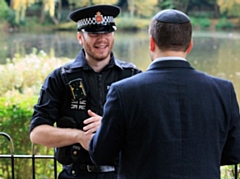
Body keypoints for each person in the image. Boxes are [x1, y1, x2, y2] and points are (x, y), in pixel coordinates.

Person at [87, 9, 240, 179]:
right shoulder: (223, 90)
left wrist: (105, 128)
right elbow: (234, 152)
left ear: (152, 43)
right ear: (189, 45)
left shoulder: (124, 92)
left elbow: (101, 154)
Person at [29, 4, 141, 179]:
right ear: (80, 37)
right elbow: (37, 133)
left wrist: (109, 127)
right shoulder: (60, 78)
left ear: (113, 35)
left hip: (121, 175)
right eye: (94, 34)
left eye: (107, 33)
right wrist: (79, 136)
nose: (102, 39)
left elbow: (150, 129)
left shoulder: (133, 76)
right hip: (75, 175)